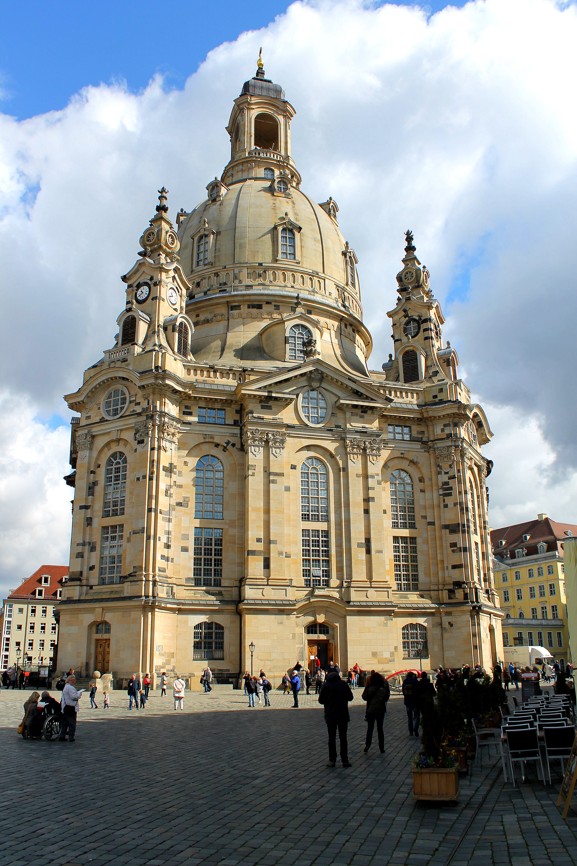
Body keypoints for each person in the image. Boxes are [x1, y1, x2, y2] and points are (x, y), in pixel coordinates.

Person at [318, 671, 354, 768]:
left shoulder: (325, 685)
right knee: (343, 738)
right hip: (342, 714)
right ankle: (344, 760)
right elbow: (350, 697)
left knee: (331, 738)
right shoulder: (343, 684)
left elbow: (320, 700)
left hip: (331, 715)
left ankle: (332, 760)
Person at [361, 671, 390, 753]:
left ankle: (367, 745)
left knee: (370, 728)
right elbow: (386, 698)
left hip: (370, 710)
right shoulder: (383, 688)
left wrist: (367, 687)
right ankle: (382, 747)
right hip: (381, 710)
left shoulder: (370, 687)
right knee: (380, 729)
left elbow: (364, 697)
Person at [59, 675, 83, 742]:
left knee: (65, 723)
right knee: (72, 723)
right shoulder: (70, 688)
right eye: (71, 680)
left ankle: (62, 736)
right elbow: (73, 697)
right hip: (70, 707)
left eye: (74, 680)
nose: (73, 681)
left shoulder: (66, 687)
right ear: (68, 680)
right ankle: (71, 737)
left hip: (65, 706)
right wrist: (79, 694)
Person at [402, 672, 420, 737]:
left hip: (408, 701)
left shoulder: (405, 681)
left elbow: (403, 692)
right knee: (417, 716)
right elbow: (418, 691)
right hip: (415, 701)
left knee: (409, 717)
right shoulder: (415, 681)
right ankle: (416, 729)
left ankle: (411, 731)